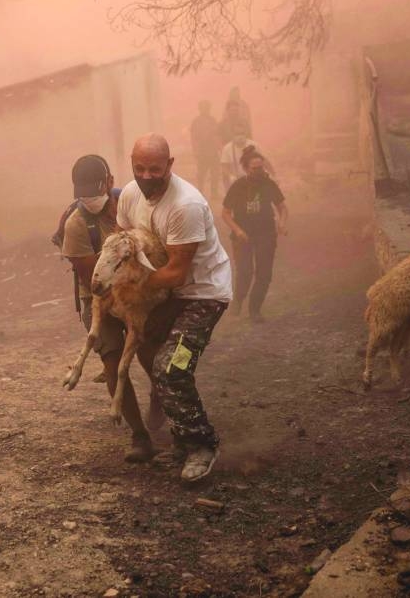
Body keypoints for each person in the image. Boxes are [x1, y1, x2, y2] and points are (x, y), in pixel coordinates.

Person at [118, 133, 232, 482]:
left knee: (171, 368)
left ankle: (203, 445)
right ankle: (181, 441)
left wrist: (130, 284)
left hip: (202, 295)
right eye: (140, 168)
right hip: (165, 294)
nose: (147, 176)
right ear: (132, 164)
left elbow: (175, 272)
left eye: (156, 169)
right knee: (151, 356)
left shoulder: (186, 205)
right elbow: (125, 246)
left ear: (170, 165)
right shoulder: (128, 195)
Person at [60, 155, 160, 463]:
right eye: (84, 195)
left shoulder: (129, 202)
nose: (90, 200)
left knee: (151, 354)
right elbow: (94, 279)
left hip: (136, 291)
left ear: (110, 183)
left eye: (95, 192)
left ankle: (161, 401)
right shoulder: (76, 225)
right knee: (114, 360)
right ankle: (139, 435)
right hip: (100, 297)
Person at [222, 146, 288, 322]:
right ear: (246, 169)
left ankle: (254, 310)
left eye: (261, 167)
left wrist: (281, 223)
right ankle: (238, 300)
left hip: (266, 233)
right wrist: (237, 230)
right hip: (242, 235)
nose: (259, 171)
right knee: (245, 272)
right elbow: (225, 213)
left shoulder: (269, 184)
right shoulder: (238, 186)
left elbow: (282, 207)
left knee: (264, 274)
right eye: (254, 169)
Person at [190, 100, 222, 199]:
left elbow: (217, 135)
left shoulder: (213, 120)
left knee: (215, 174)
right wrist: (196, 151)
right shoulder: (196, 121)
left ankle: (214, 194)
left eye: (207, 107)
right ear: (200, 109)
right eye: (203, 108)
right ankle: (199, 193)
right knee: (201, 175)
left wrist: (218, 148)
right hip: (202, 152)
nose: (205, 110)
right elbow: (193, 138)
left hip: (213, 151)